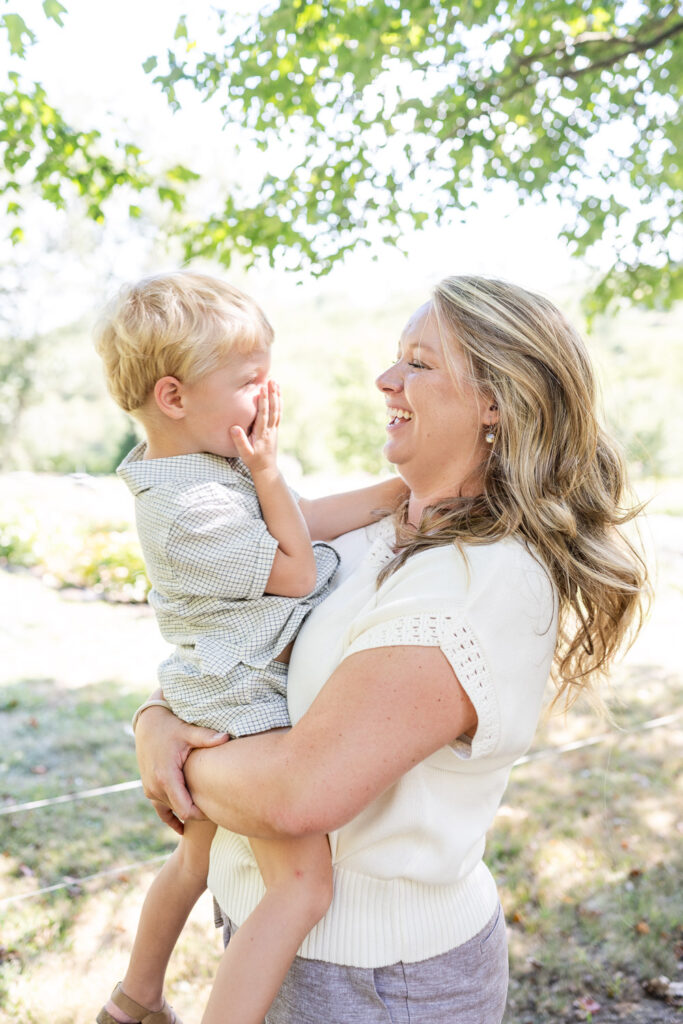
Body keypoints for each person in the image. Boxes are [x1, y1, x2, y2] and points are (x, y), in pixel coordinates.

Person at [134, 276, 649, 1024]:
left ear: (495, 404)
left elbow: (296, 795)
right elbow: (240, 637)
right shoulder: (379, 527)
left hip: (376, 983)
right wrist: (157, 716)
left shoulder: (480, 582)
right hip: (274, 939)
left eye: (419, 362)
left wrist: (169, 760)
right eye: (395, 357)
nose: (384, 379)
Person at [93, 271, 405, 1024]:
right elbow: (296, 571)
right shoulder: (189, 508)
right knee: (302, 888)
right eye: (248, 381)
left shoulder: (205, 462)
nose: (268, 396)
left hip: (220, 680)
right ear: (174, 397)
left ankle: (134, 999)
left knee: (195, 860)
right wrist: (267, 469)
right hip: (242, 699)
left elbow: (300, 517)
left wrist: (397, 496)